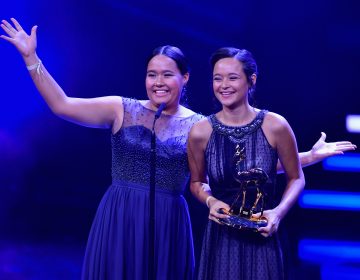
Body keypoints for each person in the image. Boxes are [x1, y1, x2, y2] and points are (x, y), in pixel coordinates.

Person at [1, 19, 356, 280]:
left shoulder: (200, 126)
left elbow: (246, 168)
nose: (158, 82)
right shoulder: (120, 108)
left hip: (170, 221)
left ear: (184, 78)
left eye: (167, 74)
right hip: (119, 215)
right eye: (152, 74)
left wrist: (309, 156)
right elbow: (62, 105)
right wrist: (32, 60)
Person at [187, 47, 324, 280]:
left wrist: (278, 213)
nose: (224, 85)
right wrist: (210, 201)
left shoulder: (275, 125)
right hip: (221, 240)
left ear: (251, 80)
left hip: (264, 235)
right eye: (217, 78)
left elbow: (296, 177)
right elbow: (197, 182)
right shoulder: (200, 131)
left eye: (232, 77)